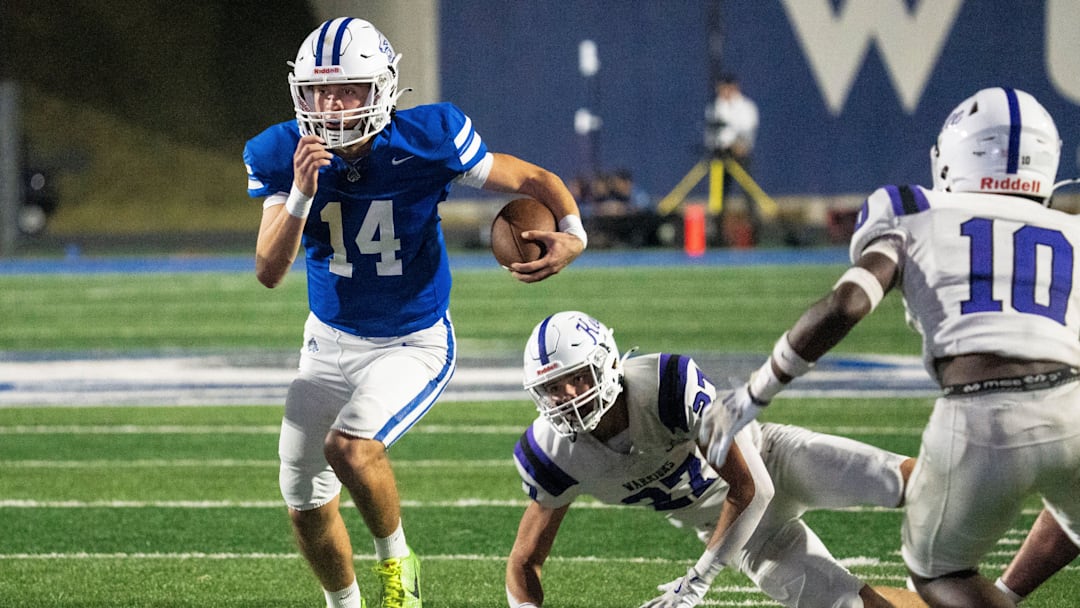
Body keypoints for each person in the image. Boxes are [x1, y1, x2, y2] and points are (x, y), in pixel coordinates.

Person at [242, 17, 586, 608]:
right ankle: (344, 604)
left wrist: (575, 230)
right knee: (302, 498)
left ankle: (398, 564)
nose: (332, 105)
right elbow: (269, 272)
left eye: (347, 89)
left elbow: (529, 177)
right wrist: (300, 192)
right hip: (326, 342)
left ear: (381, 89)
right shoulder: (281, 153)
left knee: (349, 447)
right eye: (320, 91)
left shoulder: (428, 139)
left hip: (411, 341)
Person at [718, 87, 1080, 608]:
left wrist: (756, 392)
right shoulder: (1069, 230)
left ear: (957, 155)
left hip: (982, 415)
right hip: (1071, 404)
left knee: (938, 576)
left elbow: (846, 305)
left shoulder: (912, 208)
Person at [505, 310, 926, 608]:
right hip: (735, 530)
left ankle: (993, 583)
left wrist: (697, 581)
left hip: (770, 460)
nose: (569, 397)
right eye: (554, 388)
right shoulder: (551, 453)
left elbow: (753, 487)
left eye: (577, 378)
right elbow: (525, 561)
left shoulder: (666, 386)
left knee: (910, 482)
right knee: (848, 604)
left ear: (608, 363)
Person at [704, 73, 761, 245]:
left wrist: (738, 144)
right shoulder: (715, 107)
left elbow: (748, 128)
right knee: (718, 196)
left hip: (740, 155)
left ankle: (755, 233)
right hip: (720, 155)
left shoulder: (746, 106)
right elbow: (711, 132)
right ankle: (717, 235)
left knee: (749, 194)